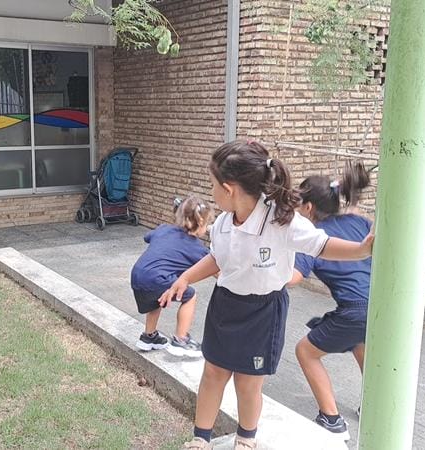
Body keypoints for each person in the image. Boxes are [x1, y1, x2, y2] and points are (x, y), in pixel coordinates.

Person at [160, 141, 373, 449]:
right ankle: (200, 439)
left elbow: (322, 245)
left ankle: (246, 439)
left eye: (213, 185)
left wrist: (361, 250)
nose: (212, 192)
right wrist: (186, 277)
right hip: (225, 305)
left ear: (229, 189)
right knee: (213, 373)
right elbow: (217, 258)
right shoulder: (222, 223)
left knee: (248, 382)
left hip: (264, 311)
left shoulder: (282, 221)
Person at [287, 161, 373, 441]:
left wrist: (261, 271)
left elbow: (294, 277)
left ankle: (331, 419)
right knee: (359, 342)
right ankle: (374, 406)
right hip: (380, 306)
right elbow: (358, 218)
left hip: (354, 310)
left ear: (308, 208)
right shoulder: (358, 222)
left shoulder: (312, 237)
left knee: (305, 351)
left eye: (298, 205)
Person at [131, 195, 214, 357]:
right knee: (190, 296)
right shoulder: (196, 248)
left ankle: (149, 336)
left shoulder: (164, 229)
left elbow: (147, 237)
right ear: (201, 224)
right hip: (157, 278)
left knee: (157, 299)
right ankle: (180, 339)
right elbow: (214, 269)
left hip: (137, 275)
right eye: (207, 224)